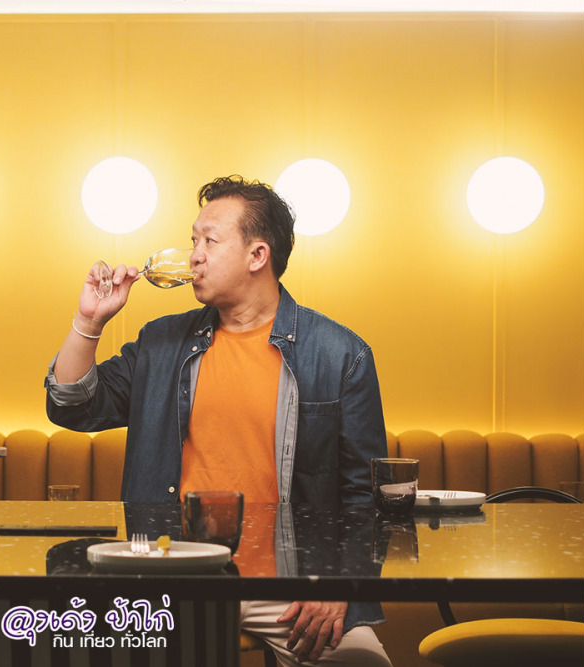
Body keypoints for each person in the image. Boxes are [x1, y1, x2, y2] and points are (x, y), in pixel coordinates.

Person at [45, 175, 392, 666]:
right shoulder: (160, 343)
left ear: (257, 255)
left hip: (292, 588)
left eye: (209, 241)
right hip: (168, 580)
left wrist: (341, 584)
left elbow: (364, 495)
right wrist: (89, 322)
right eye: (193, 241)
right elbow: (71, 406)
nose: (194, 256)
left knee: (363, 662)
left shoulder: (340, 355)